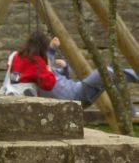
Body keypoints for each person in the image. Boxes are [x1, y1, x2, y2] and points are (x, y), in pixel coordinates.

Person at [11, 31, 139, 107]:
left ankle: (130, 109)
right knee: (104, 72)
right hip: (73, 97)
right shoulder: (39, 66)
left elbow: (64, 78)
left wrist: (65, 67)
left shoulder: (42, 64)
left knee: (109, 75)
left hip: (75, 89)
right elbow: (49, 83)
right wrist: (51, 52)